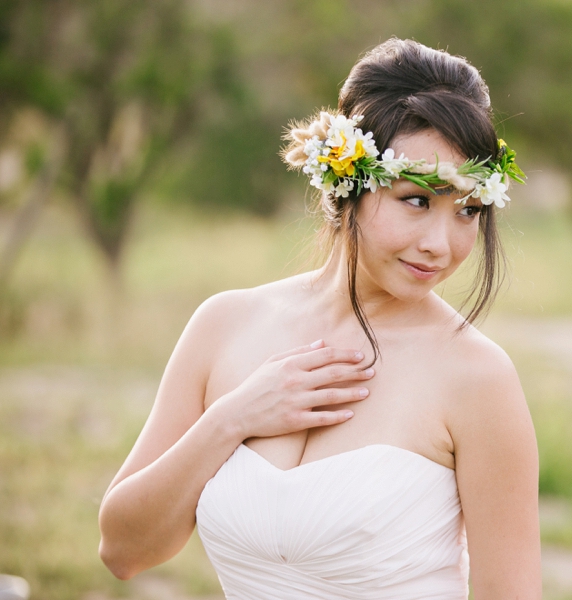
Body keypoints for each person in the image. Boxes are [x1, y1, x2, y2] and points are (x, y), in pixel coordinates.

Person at [98, 38, 541, 599]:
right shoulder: (225, 324)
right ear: (344, 179)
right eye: (416, 200)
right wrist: (232, 419)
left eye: (468, 210)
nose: (441, 244)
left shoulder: (478, 377)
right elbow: (123, 550)